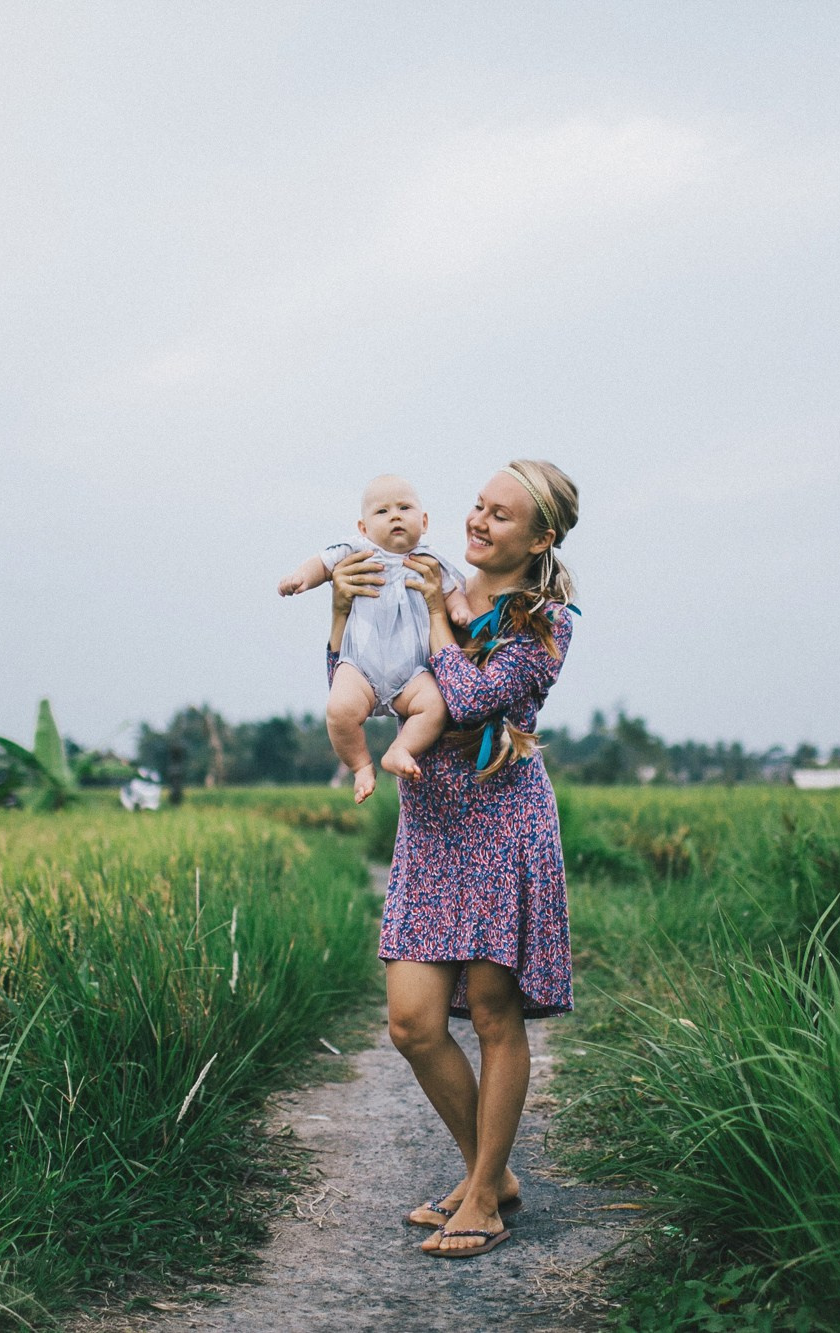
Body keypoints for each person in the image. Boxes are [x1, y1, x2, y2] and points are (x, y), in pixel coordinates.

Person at [326, 459, 580, 1259]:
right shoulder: (415, 580)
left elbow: (467, 699)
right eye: (476, 505)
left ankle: (484, 1196)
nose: (478, 520)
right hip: (431, 825)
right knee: (412, 1021)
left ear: (539, 536)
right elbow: (358, 680)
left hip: (503, 824)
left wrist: (437, 611)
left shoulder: (545, 622)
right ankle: (489, 1173)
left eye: (500, 515)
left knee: (496, 1017)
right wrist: (338, 614)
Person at [281, 475, 473, 803]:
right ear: (363, 527)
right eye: (382, 511)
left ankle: (400, 749)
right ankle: (361, 765)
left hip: (412, 673)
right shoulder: (358, 551)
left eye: (405, 508)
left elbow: (453, 589)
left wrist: (460, 611)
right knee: (339, 710)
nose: (395, 516)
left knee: (434, 706)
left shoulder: (430, 562)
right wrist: (301, 577)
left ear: (424, 522)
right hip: (361, 668)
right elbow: (322, 563)